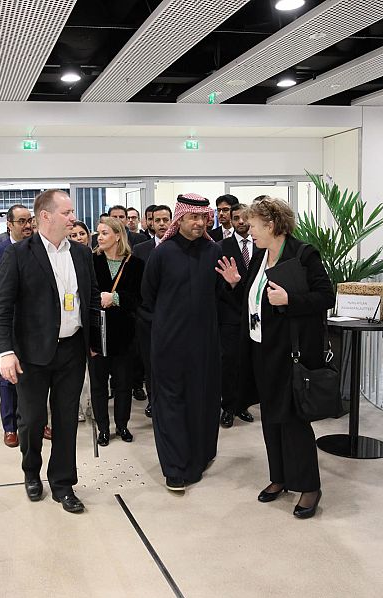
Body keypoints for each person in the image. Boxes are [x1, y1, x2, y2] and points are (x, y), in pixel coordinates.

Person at [0, 189, 99, 514]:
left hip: (71, 349)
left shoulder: (80, 253)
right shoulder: (18, 254)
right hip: (31, 353)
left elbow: (91, 298)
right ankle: (31, 472)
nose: (73, 218)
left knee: (66, 419)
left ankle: (63, 483)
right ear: (45, 216)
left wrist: (94, 342)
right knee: (32, 419)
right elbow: (2, 305)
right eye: (67, 212)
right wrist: (5, 351)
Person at [234, 198, 334, 519]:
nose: (249, 231)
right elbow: (255, 297)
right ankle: (279, 476)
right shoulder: (260, 255)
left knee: (292, 420)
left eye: (253, 225)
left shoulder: (303, 254)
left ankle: (309, 486)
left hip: (290, 351)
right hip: (261, 348)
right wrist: (237, 284)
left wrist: (290, 299)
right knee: (270, 417)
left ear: (272, 225)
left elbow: (325, 296)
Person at [143, 194, 234, 492]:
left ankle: (199, 456)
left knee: (203, 399)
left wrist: (233, 283)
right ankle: (174, 467)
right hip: (168, 343)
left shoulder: (214, 251)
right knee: (170, 402)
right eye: (193, 217)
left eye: (203, 217)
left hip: (205, 343)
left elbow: (222, 296)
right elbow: (148, 297)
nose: (199, 223)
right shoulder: (162, 253)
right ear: (179, 219)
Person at [0, 204, 38, 447]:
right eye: (21, 221)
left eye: (30, 220)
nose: (27, 226)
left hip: (37, 326)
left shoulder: (39, 248)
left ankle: (38, 422)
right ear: (9, 224)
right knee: (8, 379)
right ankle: (10, 427)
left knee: (37, 377)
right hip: (9, 325)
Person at [89, 217, 144, 446]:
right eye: (98, 233)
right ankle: (103, 428)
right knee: (99, 385)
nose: (99, 237)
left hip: (125, 335)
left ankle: (122, 425)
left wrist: (116, 298)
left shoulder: (135, 264)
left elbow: (140, 298)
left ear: (118, 236)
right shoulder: (91, 261)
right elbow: (84, 296)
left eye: (105, 233)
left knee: (123, 384)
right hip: (97, 334)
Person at [218, 203, 256, 428]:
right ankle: (228, 407)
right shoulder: (221, 247)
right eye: (236, 218)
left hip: (256, 315)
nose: (241, 222)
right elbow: (217, 283)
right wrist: (232, 286)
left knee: (249, 362)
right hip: (230, 313)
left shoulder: (262, 246)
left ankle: (243, 404)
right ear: (230, 221)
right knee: (229, 363)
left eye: (244, 217)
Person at [132, 205, 172, 418]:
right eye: (157, 220)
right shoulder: (140, 249)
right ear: (150, 223)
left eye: (166, 220)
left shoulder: (178, 247)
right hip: (148, 316)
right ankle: (153, 400)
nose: (162, 224)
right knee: (150, 362)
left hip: (174, 317)